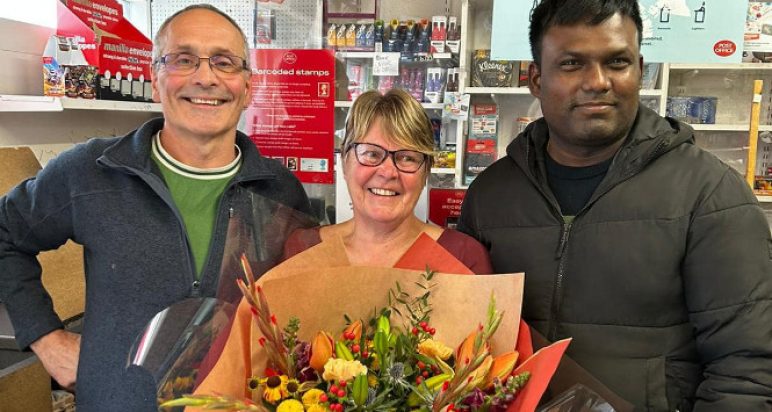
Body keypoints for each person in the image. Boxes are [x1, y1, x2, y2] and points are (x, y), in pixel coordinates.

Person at [458, 0, 772, 410]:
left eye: (617, 62)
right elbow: (466, 339)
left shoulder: (710, 195)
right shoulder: (489, 197)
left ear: (639, 68)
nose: (598, 82)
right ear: (536, 78)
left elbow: (746, 369)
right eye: (572, 64)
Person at [0, 5, 311, 411]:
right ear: (153, 79)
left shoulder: (281, 191)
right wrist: (45, 336)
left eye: (224, 62)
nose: (205, 76)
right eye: (183, 60)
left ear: (248, 87)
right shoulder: (91, 172)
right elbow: (5, 233)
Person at [285, 88, 491, 271]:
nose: (388, 172)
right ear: (344, 162)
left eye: (407, 158)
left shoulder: (462, 258)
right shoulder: (303, 250)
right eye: (372, 154)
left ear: (426, 171)